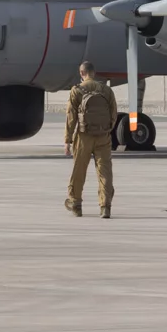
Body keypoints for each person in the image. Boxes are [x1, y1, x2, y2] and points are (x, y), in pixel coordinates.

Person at [63, 61, 118, 218]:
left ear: (81, 73)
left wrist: (67, 140)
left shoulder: (77, 91)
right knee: (104, 172)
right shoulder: (106, 90)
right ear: (94, 72)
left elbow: (71, 117)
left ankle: (75, 204)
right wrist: (106, 130)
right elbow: (114, 114)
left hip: (83, 136)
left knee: (79, 171)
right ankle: (105, 206)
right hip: (103, 136)